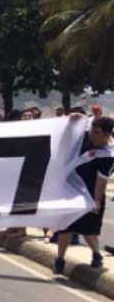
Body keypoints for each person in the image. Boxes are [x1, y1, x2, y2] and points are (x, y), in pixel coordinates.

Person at [54, 116, 114, 274]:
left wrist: (96, 201)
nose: (92, 135)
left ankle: (96, 255)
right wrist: (77, 116)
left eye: (97, 132)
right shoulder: (85, 141)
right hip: (71, 192)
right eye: (92, 131)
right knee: (65, 227)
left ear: (107, 134)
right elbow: (73, 125)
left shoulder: (108, 156)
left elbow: (101, 181)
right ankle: (60, 259)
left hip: (90, 195)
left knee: (89, 231)